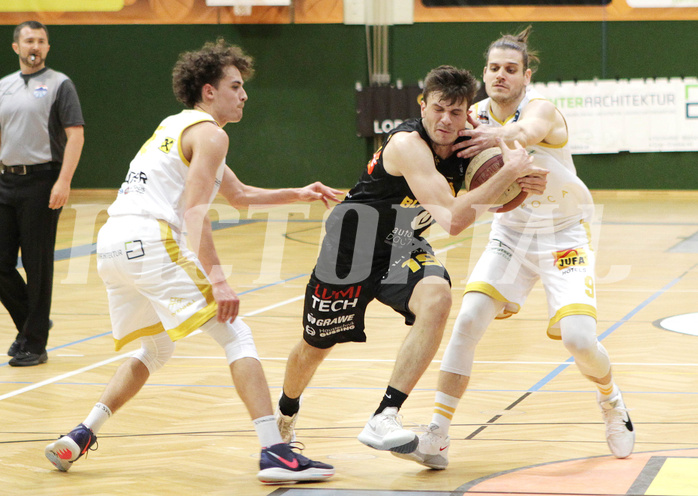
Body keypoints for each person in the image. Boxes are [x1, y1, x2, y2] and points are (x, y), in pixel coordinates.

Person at [44, 39, 343, 484]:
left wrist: (299, 192)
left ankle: (82, 433)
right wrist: (218, 280)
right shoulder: (212, 134)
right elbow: (195, 212)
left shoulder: (176, 126)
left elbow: (237, 196)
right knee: (237, 336)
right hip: (149, 239)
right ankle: (275, 452)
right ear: (208, 91)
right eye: (235, 86)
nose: (244, 95)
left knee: (156, 348)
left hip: (111, 244)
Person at [396, 27, 635, 470]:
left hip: (564, 233)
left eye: (510, 69)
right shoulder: (472, 115)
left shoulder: (539, 109)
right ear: (484, 74)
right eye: (493, 68)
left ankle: (611, 400)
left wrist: (500, 139)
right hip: (510, 233)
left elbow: (529, 129)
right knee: (467, 318)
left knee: (579, 339)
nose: (500, 76)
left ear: (527, 75)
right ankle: (438, 433)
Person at [274, 65, 547, 455]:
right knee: (315, 346)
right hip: (352, 246)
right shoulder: (407, 144)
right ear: (422, 105)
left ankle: (384, 415)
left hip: (403, 240)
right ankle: (285, 413)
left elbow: (498, 189)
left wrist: (524, 180)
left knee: (438, 298)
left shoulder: (471, 141)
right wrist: (507, 176)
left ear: (469, 113)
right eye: (438, 109)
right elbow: (453, 219)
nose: (446, 120)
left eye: (456, 113)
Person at [0, 21, 84, 367]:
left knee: (37, 265)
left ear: (47, 48)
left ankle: (34, 344)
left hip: (42, 181)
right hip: (6, 182)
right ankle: (31, 326)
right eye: (29, 40)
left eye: (41, 40)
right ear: (16, 47)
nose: (35, 45)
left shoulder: (60, 84)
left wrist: (63, 181)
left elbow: (75, 136)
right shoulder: (3, 86)